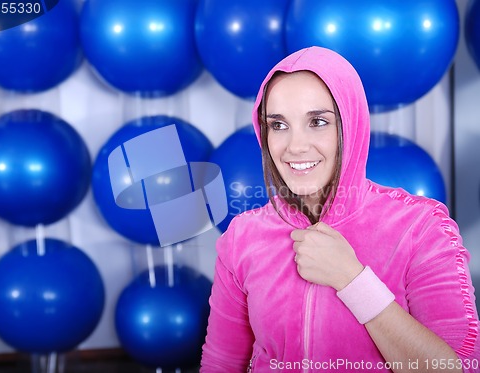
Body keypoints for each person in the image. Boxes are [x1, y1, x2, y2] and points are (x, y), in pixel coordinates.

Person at [200, 46, 480, 372]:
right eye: (278, 125)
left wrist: (352, 280)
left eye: (317, 121)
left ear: (352, 124)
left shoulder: (421, 227)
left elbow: (458, 368)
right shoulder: (244, 236)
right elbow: (221, 363)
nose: (295, 146)